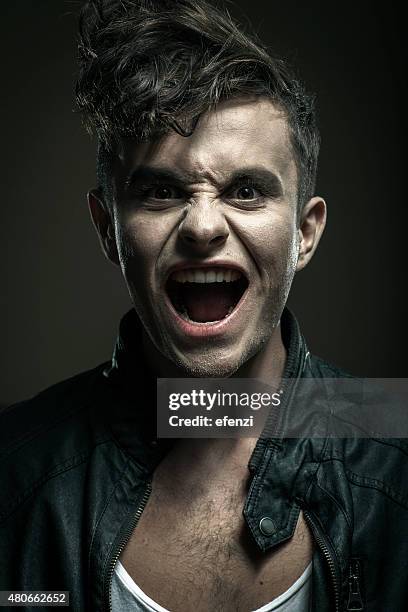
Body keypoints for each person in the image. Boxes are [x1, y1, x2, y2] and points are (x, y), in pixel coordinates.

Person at [0, 1, 407, 611]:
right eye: (161, 192)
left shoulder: (397, 456)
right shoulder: (16, 469)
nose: (202, 226)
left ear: (305, 233)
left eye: (245, 190)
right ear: (108, 228)